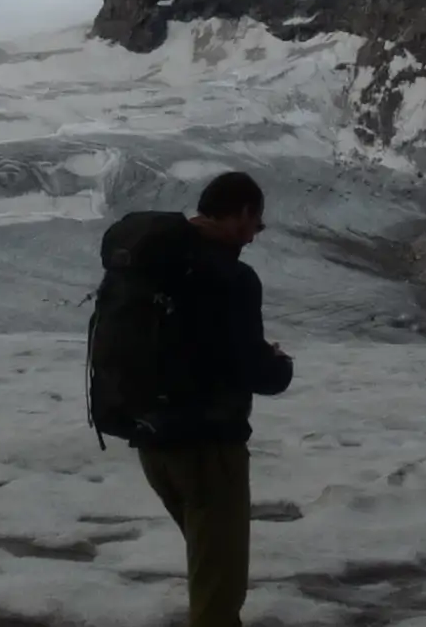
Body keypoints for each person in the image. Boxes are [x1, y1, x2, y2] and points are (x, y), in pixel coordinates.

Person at [133, 172, 294, 627]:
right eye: (256, 225)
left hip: (151, 441)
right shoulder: (231, 276)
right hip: (208, 449)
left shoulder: (154, 261)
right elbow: (250, 367)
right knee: (218, 594)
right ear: (243, 213)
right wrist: (279, 365)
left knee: (208, 568)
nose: (254, 237)